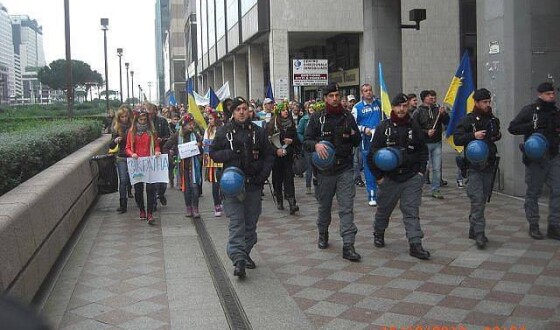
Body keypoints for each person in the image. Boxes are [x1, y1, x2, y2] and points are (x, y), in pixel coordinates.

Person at [210, 97, 274, 278]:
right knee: (236, 223)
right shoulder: (224, 131)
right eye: (238, 109)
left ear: (250, 111)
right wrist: (230, 153)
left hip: (253, 184)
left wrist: (262, 176)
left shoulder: (258, 132)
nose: (242, 112)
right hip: (232, 186)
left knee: (250, 224)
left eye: (245, 109)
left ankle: (244, 253)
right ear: (233, 112)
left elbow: (269, 156)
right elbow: (213, 153)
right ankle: (238, 260)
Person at [368, 93, 430, 259]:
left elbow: (423, 151)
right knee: (384, 210)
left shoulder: (414, 126)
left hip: (411, 177)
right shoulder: (383, 127)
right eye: (398, 106)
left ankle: (415, 243)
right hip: (389, 179)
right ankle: (378, 232)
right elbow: (371, 155)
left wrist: (420, 172)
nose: (402, 109)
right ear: (393, 107)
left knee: (411, 211)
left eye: (404, 106)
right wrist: (379, 177)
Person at [304, 82, 362, 262]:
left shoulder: (347, 117)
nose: (335, 99)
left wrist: (352, 133)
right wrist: (316, 144)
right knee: (324, 207)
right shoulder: (317, 118)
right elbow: (306, 141)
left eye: (337, 95)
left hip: (344, 168)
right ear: (325, 98)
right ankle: (323, 233)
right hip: (324, 172)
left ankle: (348, 244)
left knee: (346, 208)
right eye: (331, 96)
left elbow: (357, 140)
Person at [508, 82, 560, 240]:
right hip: (535, 159)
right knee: (533, 192)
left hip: (553, 156)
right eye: (548, 94)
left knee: (558, 191)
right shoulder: (530, 110)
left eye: (552, 93)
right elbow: (513, 128)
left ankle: (554, 226)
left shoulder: (556, 112)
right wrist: (531, 126)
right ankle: (534, 225)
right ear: (540, 94)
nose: (551, 96)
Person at [453, 88, 501, 249]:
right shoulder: (468, 120)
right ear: (477, 103)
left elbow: (496, 135)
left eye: (489, 102)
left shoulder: (493, 119)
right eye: (484, 102)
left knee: (482, 199)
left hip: (488, 165)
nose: (487, 105)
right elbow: (457, 139)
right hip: (473, 167)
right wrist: (473, 136)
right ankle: (480, 233)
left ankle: (474, 227)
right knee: (477, 199)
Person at [126, 107, 161, 224]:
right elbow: (127, 148)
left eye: (144, 119)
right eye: (140, 119)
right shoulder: (132, 133)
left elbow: (156, 145)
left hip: (149, 161)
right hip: (137, 163)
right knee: (138, 189)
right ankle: (142, 209)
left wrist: (157, 151)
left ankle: (150, 213)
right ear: (136, 120)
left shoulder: (152, 132)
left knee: (150, 189)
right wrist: (132, 154)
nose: (143, 121)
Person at [164, 113, 203, 218]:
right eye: (189, 124)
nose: (192, 126)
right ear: (184, 125)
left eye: (192, 124)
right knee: (186, 188)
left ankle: (195, 208)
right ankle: (188, 208)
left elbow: (202, 149)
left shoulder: (195, 134)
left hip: (193, 165)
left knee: (195, 187)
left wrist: (199, 146)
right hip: (182, 165)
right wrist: (172, 157)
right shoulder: (177, 135)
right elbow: (166, 146)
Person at [413, 90, 450, 199]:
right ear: (424, 98)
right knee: (424, 167)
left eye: (434, 97)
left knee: (437, 167)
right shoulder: (418, 112)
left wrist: (444, 114)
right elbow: (415, 127)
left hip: (437, 142)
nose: (433, 99)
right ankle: (418, 188)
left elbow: (447, 121)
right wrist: (426, 132)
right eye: (430, 97)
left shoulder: (437, 109)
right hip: (424, 144)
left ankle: (436, 189)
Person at [352, 83, 384, 207]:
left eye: (370, 90)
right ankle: (372, 194)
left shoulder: (379, 104)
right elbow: (353, 125)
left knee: (383, 165)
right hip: (366, 141)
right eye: (365, 91)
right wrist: (364, 129)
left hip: (381, 140)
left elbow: (386, 117)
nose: (368, 92)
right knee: (369, 167)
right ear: (362, 93)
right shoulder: (357, 107)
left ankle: (384, 193)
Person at [267, 102, 299, 214]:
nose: (286, 112)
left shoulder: (291, 124)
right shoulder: (272, 124)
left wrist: (292, 141)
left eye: (287, 110)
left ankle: (292, 203)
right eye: (283, 110)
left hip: (288, 156)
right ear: (279, 112)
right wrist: (276, 150)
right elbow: (268, 143)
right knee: (277, 179)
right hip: (276, 158)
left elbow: (297, 140)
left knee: (289, 179)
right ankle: (279, 199)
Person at [146, 102, 171, 208]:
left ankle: (161, 193)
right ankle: (154, 202)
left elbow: (168, 136)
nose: (149, 116)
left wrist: (162, 139)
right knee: (153, 179)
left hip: (162, 151)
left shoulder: (162, 121)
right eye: (148, 114)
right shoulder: (144, 123)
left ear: (155, 112)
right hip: (150, 153)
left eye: (151, 113)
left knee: (163, 178)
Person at [109, 105, 132, 213]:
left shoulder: (133, 127)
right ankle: (123, 203)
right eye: (122, 117)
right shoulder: (116, 128)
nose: (124, 119)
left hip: (132, 156)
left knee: (132, 179)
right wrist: (115, 140)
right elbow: (111, 145)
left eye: (126, 116)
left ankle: (135, 196)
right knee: (123, 180)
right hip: (121, 156)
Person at [203, 110, 224, 216]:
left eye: (211, 118)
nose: (209, 120)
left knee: (223, 182)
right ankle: (217, 204)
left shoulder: (222, 129)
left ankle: (224, 201)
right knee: (215, 184)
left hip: (221, 159)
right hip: (212, 161)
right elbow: (205, 143)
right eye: (209, 118)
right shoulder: (207, 130)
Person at [297, 103, 314, 194]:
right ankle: (308, 186)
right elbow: (299, 132)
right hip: (307, 146)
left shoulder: (318, 118)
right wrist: (304, 141)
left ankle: (318, 185)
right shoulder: (304, 119)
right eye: (310, 107)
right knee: (309, 167)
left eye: (313, 107)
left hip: (317, 144)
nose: (311, 109)